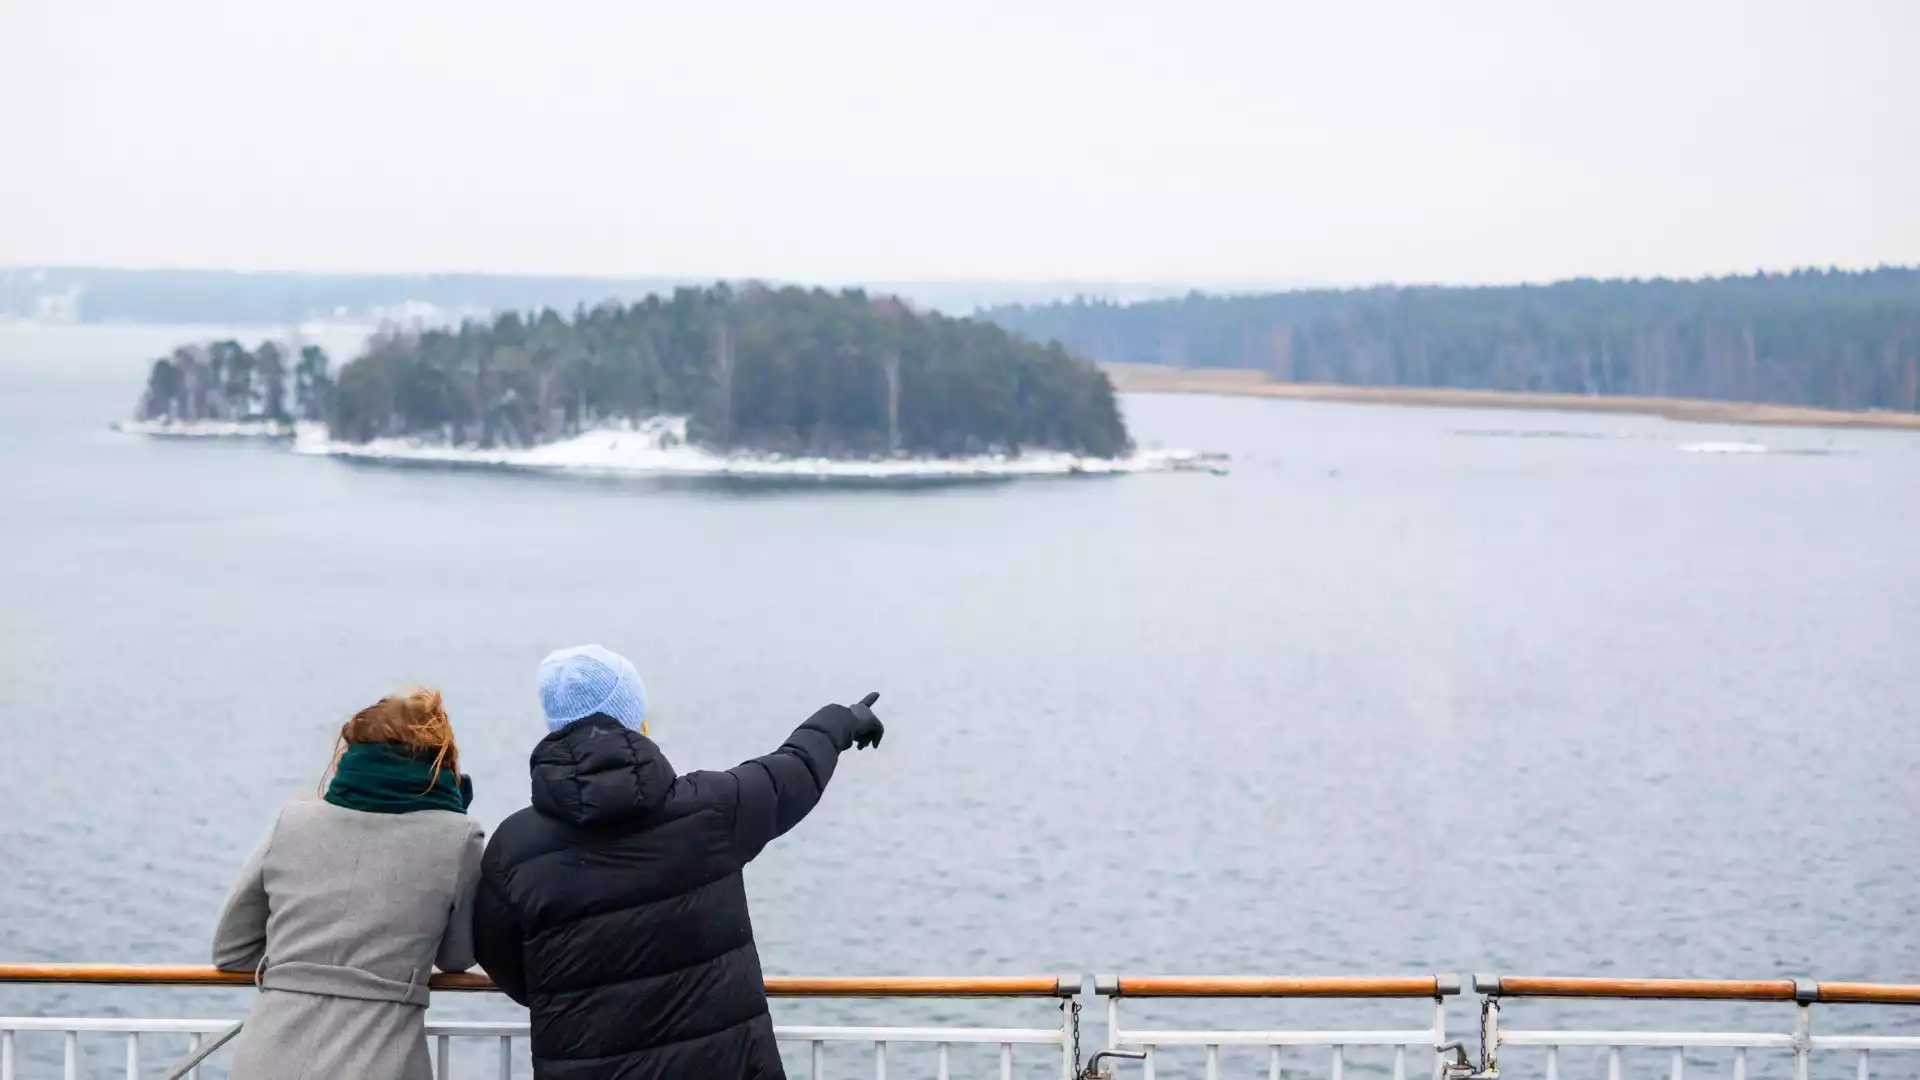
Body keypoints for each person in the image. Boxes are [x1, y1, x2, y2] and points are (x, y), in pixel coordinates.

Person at [472, 644, 884, 1080]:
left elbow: (496, 953)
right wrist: (843, 719)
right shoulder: (710, 810)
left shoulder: (513, 851)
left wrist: (565, 989)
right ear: (637, 723)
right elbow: (793, 771)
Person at [211, 687, 486, 1080]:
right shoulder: (459, 836)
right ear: (439, 758)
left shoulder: (292, 822)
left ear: (353, 751)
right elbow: (456, 958)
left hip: (267, 1056)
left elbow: (231, 950)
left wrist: (301, 969)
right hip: (380, 1059)